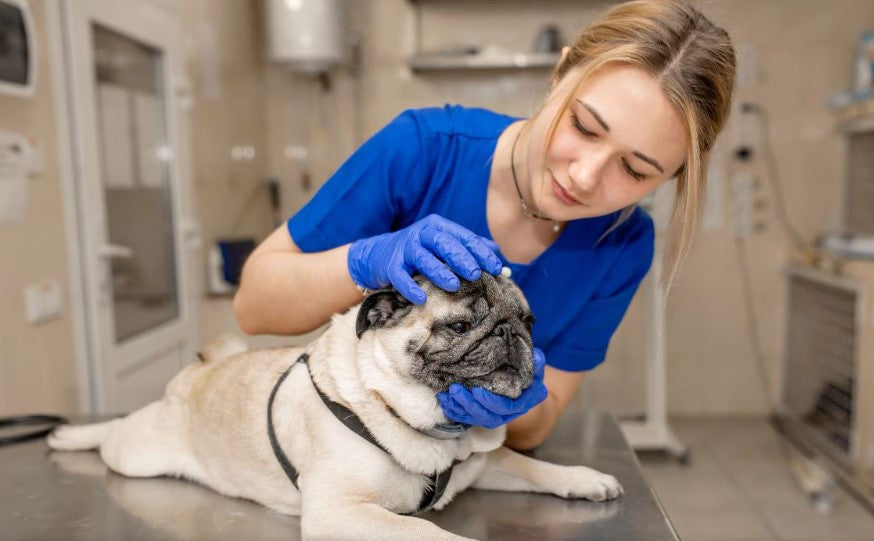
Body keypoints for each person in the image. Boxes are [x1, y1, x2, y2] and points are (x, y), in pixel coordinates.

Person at [234, 0, 736, 450]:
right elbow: (253, 306)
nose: (584, 177)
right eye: (583, 126)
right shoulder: (422, 149)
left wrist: (519, 402)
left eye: (634, 170)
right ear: (560, 74)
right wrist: (368, 260)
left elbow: (541, 425)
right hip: (336, 445)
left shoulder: (622, 244)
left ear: (670, 178)